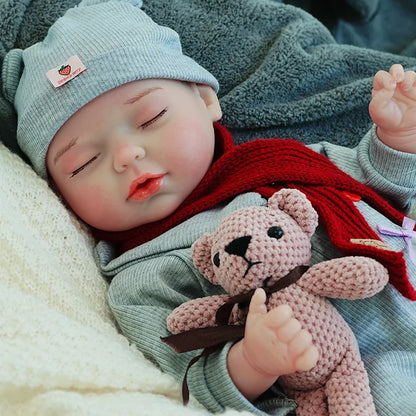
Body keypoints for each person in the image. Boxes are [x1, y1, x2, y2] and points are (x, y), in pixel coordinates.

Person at [2, 0, 416, 414]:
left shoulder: (280, 160)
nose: (127, 155)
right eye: (84, 163)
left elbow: (374, 188)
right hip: (363, 373)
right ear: (59, 196)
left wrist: (396, 140)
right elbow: (187, 370)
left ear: (205, 101)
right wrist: (253, 363)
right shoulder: (141, 278)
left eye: (150, 118)